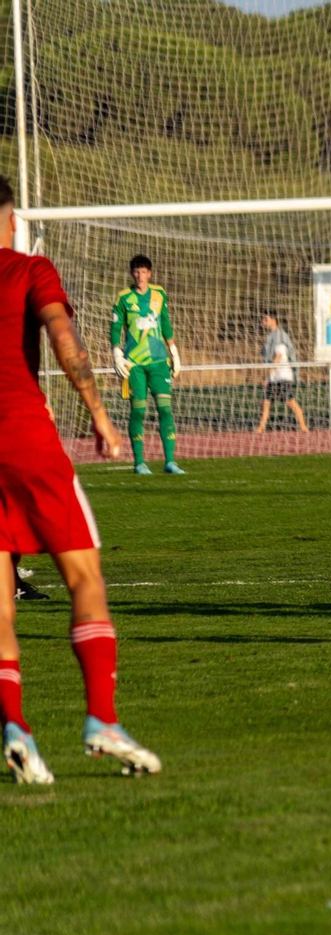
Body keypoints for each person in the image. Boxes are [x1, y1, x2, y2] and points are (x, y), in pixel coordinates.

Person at [0, 175, 163, 784]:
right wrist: (98, 414)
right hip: (23, 439)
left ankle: (16, 729)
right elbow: (63, 337)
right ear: (10, 219)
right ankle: (101, 719)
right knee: (85, 575)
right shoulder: (30, 270)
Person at [110, 253, 184, 475]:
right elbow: (115, 328)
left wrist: (174, 351)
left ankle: (170, 461)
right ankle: (139, 463)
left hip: (159, 362)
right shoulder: (123, 298)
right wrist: (116, 354)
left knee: (165, 410)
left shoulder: (159, 294)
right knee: (138, 412)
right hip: (134, 365)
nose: (139, 275)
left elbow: (166, 323)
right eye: (135, 271)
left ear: (149, 273)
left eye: (143, 271)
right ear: (131, 274)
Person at [255, 312, 309, 433]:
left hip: (282, 376)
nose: (263, 321)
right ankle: (260, 428)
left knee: (290, 402)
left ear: (274, 320)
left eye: (265, 319)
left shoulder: (279, 335)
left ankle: (304, 427)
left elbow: (279, 356)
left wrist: (268, 376)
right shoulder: (271, 336)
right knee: (265, 402)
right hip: (274, 376)